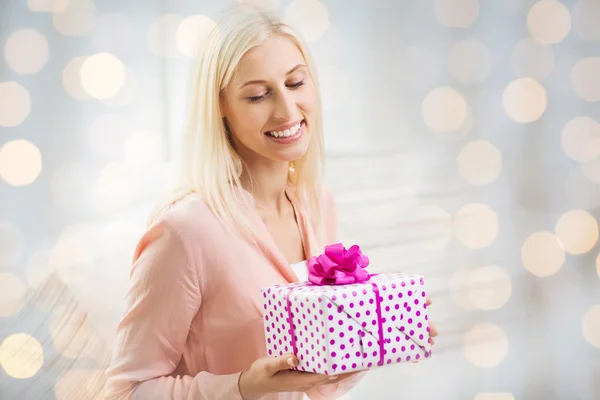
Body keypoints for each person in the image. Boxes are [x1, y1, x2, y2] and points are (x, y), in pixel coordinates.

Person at [102, 6, 437, 400]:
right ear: (221, 108)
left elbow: (312, 385)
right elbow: (124, 392)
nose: (287, 111)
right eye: (258, 95)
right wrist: (243, 387)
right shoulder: (186, 231)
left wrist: (372, 339)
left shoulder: (315, 204)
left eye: (296, 83)